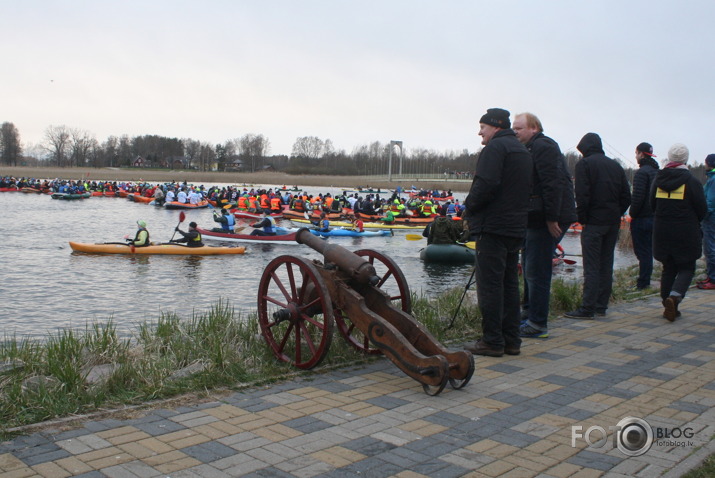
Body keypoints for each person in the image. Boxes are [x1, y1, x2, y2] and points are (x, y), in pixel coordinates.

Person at [463, 108, 532, 357]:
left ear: (495, 126)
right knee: (509, 285)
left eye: (482, 126)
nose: (479, 131)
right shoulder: (522, 151)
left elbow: (487, 184)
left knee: (490, 286)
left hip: (492, 226)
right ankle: (511, 340)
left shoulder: (494, 149)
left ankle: (492, 341)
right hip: (515, 227)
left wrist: (469, 207)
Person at [512, 113, 577, 339]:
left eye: (519, 128)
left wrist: (552, 218)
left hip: (547, 218)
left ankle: (538, 323)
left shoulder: (544, 147)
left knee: (537, 270)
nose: (515, 132)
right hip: (537, 217)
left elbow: (552, 184)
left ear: (534, 128)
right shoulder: (532, 147)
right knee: (529, 265)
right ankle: (529, 311)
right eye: (513, 128)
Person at [565, 133, 631, 319]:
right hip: (611, 223)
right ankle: (601, 305)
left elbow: (582, 195)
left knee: (591, 266)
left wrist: (583, 219)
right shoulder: (616, 166)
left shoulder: (584, 165)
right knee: (606, 264)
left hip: (593, 222)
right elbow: (627, 196)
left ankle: (587, 308)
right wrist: (616, 213)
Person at [651, 144, 707, 320]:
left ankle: (666, 303)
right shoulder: (691, 181)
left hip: (662, 230)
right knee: (687, 266)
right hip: (685, 231)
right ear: (686, 159)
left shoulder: (658, 180)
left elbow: (652, 205)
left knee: (668, 267)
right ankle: (674, 297)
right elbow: (702, 209)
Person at [629, 142, 659, 290]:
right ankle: (645, 280)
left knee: (642, 252)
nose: (635, 156)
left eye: (636, 153)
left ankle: (643, 283)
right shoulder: (656, 171)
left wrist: (632, 214)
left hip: (642, 218)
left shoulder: (642, 173)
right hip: (655, 217)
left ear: (641, 154)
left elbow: (638, 197)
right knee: (648, 251)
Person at [699, 154, 715, 290]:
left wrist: (702, 215)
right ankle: (710, 276)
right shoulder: (711, 179)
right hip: (710, 218)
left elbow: (710, 202)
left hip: (710, 219)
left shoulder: (713, 180)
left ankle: (713, 279)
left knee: (710, 249)